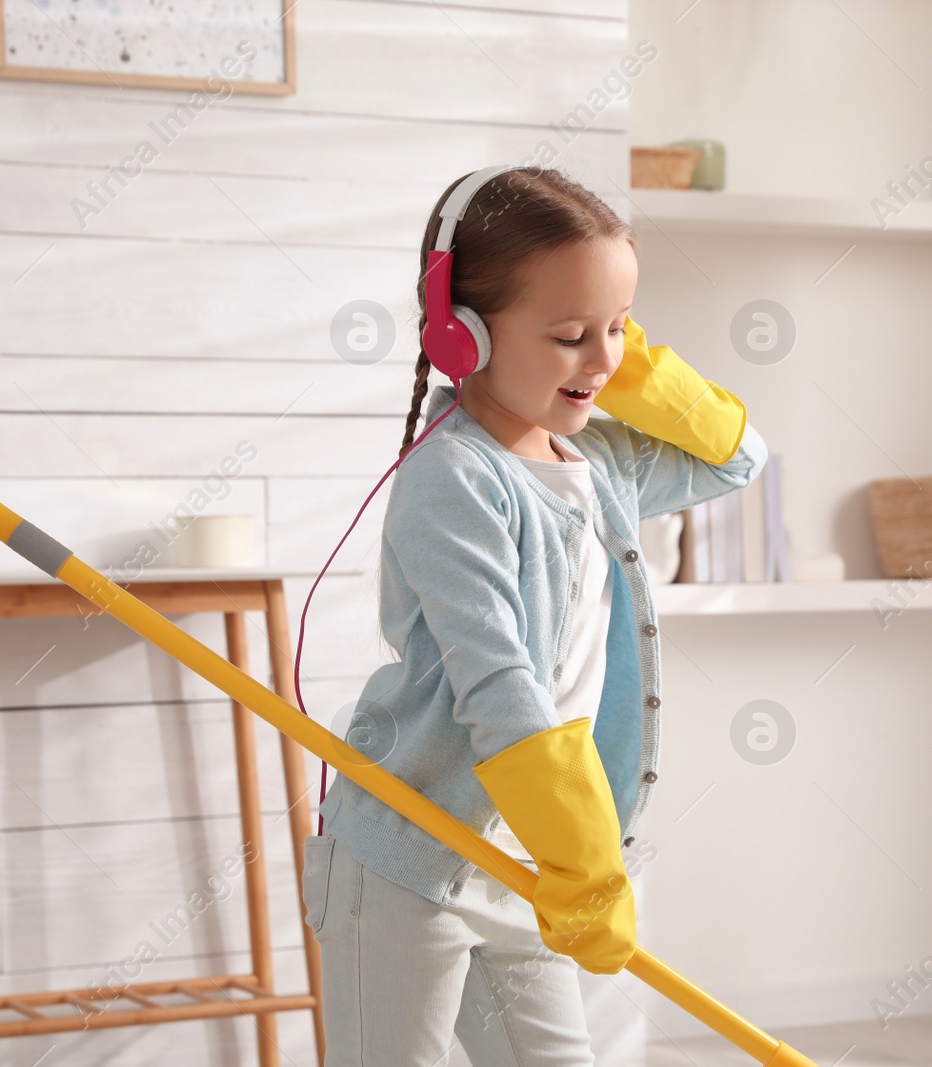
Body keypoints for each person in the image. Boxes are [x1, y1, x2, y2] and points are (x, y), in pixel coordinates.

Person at [299, 165, 768, 1065]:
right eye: (567, 334)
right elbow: (502, 687)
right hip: (410, 858)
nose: (601, 358)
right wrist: (590, 868)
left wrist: (618, 369)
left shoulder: (601, 462)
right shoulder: (453, 480)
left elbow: (735, 458)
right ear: (461, 334)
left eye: (620, 328)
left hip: (523, 863)